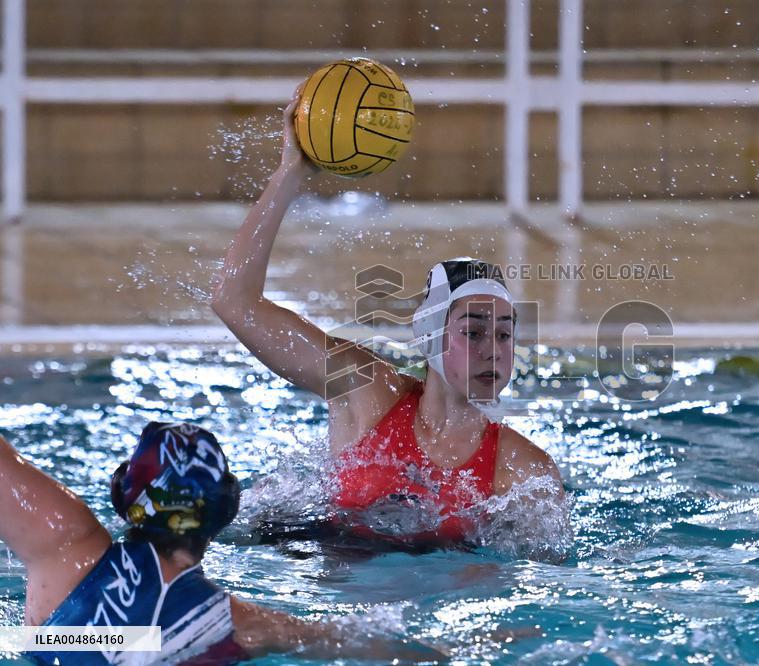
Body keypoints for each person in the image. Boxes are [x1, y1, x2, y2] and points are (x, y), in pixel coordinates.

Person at [211, 85, 564, 547]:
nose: (491, 351)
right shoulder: (364, 394)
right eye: (472, 332)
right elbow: (234, 302)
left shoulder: (523, 472)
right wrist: (289, 176)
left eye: (504, 334)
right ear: (429, 335)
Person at [0, 422, 443, 664]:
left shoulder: (65, 540)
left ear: (125, 496)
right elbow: (383, 648)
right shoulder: (238, 624)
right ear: (224, 510)